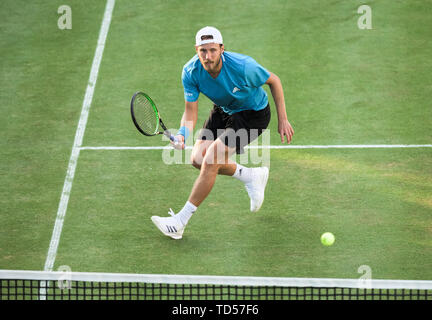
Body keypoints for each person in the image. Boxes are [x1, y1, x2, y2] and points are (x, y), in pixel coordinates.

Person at [151, 26, 294, 239]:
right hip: (224, 109)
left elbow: (274, 80)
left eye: (212, 50)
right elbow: (190, 112)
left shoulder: (244, 66)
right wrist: (182, 134)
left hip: (253, 115)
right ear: (196, 50)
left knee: (211, 159)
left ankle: (180, 222)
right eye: (203, 51)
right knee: (197, 159)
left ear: (222, 49)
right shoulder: (190, 72)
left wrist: (283, 119)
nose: (208, 57)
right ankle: (251, 176)